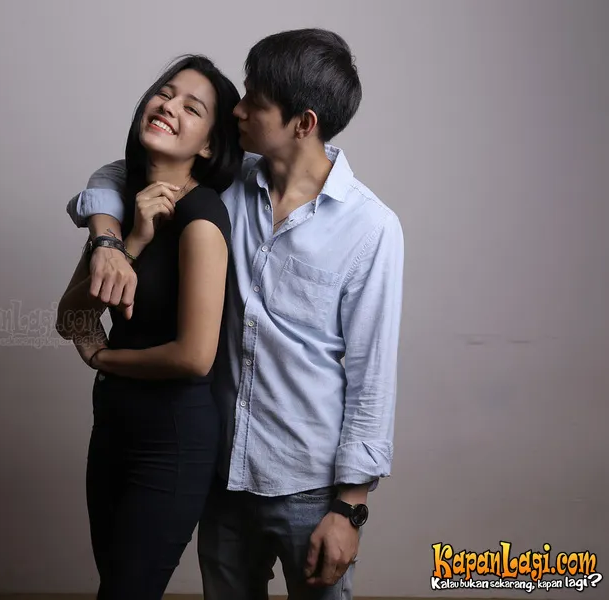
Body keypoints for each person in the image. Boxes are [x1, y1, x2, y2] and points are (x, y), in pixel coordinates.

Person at [66, 29, 404, 600]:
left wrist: (351, 508)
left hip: (309, 487)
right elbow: (122, 173)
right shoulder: (231, 184)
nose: (238, 110)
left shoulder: (370, 227)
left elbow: (372, 377)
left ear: (303, 123)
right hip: (222, 476)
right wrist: (107, 238)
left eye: (256, 102)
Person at [55, 54, 244, 600]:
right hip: (113, 427)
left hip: (172, 439)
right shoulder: (121, 209)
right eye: (165, 92)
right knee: (115, 586)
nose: (169, 106)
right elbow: (71, 318)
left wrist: (104, 359)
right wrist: (129, 242)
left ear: (208, 145)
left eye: (193, 107)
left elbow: (194, 357)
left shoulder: (202, 218)